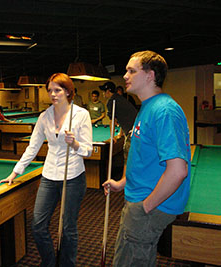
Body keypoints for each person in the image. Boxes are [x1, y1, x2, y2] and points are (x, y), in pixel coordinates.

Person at [103, 50, 191, 266]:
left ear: (150, 75)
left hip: (148, 204)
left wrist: (146, 206)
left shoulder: (164, 111)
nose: (125, 76)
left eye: (131, 71)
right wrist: (122, 183)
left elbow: (178, 170)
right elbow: (139, 154)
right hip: (138, 199)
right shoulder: (147, 107)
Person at [0, 73, 92, 267]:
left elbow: (88, 151)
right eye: (50, 90)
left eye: (57, 90)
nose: (52, 94)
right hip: (49, 176)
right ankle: (49, 262)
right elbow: (32, 147)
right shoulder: (44, 116)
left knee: (68, 228)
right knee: (38, 226)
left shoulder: (81, 114)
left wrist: (75, 144)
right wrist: (15, 172)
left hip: (73, 176)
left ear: (67, 91)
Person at [99, 81, 137, 169]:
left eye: (103, 91)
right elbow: (122, 116)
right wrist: (120, 133)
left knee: (128, 160)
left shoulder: (111, 102)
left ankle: (126, 180)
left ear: (108, 91)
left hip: (132, 133)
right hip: (136, 129)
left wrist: (112, 137)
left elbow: (112, 121)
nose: (103, 94)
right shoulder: (119, 98)